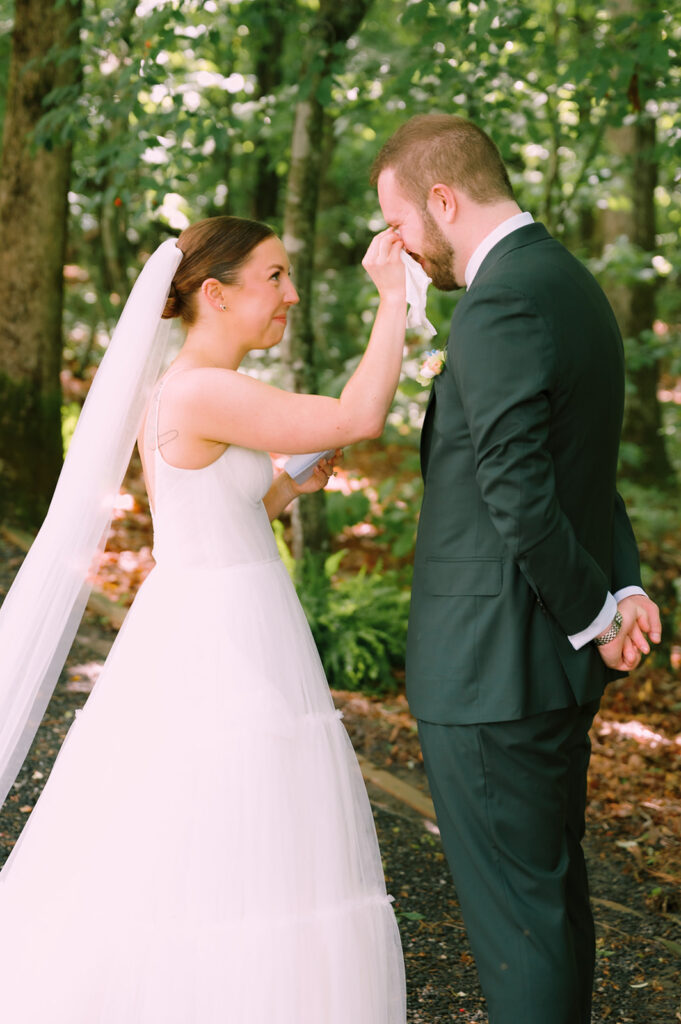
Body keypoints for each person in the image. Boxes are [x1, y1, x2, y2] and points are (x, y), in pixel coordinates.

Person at [0, 216, 407, 1022]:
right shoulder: (200, 388)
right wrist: (393, 298)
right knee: (235, 831)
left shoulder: (191, 389)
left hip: (224, 615)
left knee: (231, 836)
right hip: (222, 640)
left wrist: (288, 488)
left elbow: (220, 507)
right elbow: (361, 414)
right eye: (275, 277)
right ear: (215, 294)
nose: (290, 294)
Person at [370, 113, 662, 1024]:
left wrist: (599, 613)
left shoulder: (497, 302)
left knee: (518, 923)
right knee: (547, 900)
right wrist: (620, 585)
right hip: (543, 663)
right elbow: (585, 471)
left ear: (443, 200)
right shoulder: (567, 283)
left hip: (491, 666)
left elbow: (522, 493)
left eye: (400, 223)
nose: (399, 247)